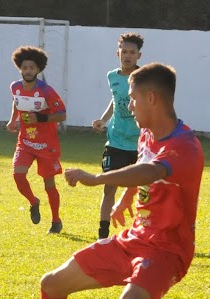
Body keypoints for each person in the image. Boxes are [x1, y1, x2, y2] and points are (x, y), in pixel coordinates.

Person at [0, 63, 204, 299]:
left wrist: (97, 180)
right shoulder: (147, 134)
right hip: (134, 238)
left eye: (133, 100)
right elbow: (144, 170)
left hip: (167, 249)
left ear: (151, 98)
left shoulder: (184, 145)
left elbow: (152, 171)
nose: (129, 107)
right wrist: (129, 199)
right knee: (52, 283)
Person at [6, 46, 66, 235]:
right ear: (20, 68)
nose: (28, 71)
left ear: (38, 69)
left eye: (32, 68)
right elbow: (16, 103)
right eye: (25, 67)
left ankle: (56, 220)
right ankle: (33, 201)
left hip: (46, 145)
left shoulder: (46, 91)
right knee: (18, 174)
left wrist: (40, 118)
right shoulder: (15, 86)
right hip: (25, 141)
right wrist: (13, 119)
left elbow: (62, 114)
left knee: (49, 184)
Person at [92, 32, 144, 240]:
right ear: (118, 53)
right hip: (116, 141)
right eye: (124, 52)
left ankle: (140, 233)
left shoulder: (144, 78)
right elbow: (115, 101)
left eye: (132, 52)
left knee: (143, 190)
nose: (128, 56)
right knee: (109, 187)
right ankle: (102, 235)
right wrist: (103, 120)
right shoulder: (112, 76)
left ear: (139, 56)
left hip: (139, 142)